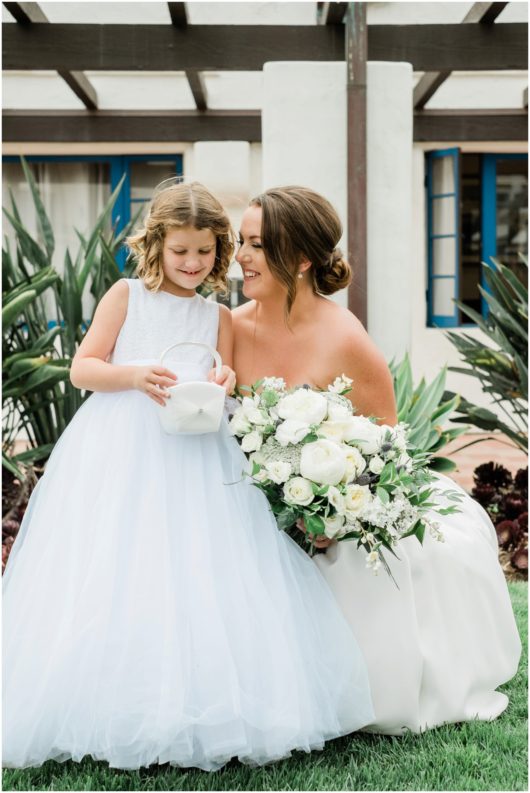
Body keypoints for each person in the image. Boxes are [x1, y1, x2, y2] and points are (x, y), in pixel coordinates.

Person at [3, 182, 374, 771]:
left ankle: (207, 700)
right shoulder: (125, 297)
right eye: (180, 252)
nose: (193, 264)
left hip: (198, 453)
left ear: (218, 250)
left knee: (200, 568)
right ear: (156, 244)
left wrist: (224, 383)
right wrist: (132, 377)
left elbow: (223, 374)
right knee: (120, 564)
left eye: (205, 253)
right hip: (122, 449)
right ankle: (112, 698)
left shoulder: (216, 314)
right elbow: (82, 368)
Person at [232, 184, 522, 735]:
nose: (240, 257)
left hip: (334, 503)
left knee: (385, 566)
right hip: (247, 493)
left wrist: (332, 511)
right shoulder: (231, 325)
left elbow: (384, 446)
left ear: (299, 260)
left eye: (256, 245)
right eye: (240, 242)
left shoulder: (346, 340)